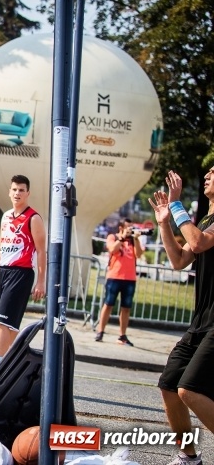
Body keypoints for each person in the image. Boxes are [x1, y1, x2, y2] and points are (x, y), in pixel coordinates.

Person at [149, 169, 214, 465]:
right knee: (169, 385)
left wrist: (176, 204)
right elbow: (178, 260)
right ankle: (189, 457)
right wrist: (164, 222)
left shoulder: (204, 228)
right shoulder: (203, 221)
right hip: (200, 321)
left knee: (189, 390)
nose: (209, 173)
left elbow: (198, 243)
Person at [0, 174, 45, 384]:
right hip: (3, 272)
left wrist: (41, 281)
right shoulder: (6, 217)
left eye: (21, 190)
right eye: (14, 189)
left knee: (3, 324)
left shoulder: (34, 218)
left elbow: (41, 251)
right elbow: (1, 247)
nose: (17, 193)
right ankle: (11, 370)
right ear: (9, 191)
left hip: (21, 273)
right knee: (5, 326)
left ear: (28, 193)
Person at [94, 218, 143, 346]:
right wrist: (122, 239)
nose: (130, 230)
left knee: (126, 308)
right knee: (108, 304)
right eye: (128, 227)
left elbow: (139, 254)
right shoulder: (113, 237)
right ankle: (100, 331)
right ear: (121, 228)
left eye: (131, 227)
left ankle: (122, 335)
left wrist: (136, 239)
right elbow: (112, 249)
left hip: (130, 278)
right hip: (114, 276)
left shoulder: (133, 240)